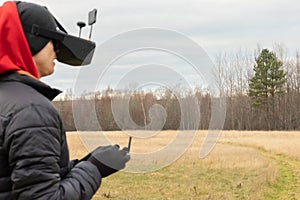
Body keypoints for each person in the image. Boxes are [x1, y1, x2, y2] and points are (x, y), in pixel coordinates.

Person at [0, 1, 130, 199]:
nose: (57, 51)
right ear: (32, 41)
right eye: (53, 42)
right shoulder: (32, 111)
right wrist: (93, 169)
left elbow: (18, 173)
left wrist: (86, 163)